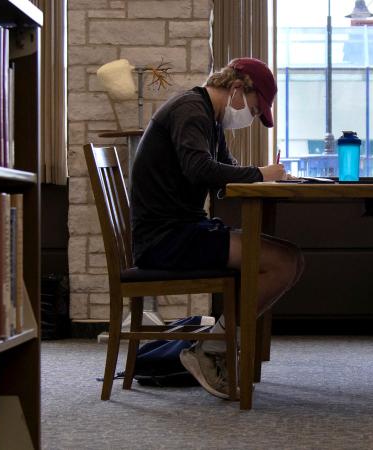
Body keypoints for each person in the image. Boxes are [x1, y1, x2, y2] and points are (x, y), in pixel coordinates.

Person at [130, 57, 304, 399]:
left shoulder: (208, 118)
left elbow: (225, 169)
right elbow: (200, 169)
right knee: (284, 262)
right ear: (238, 89)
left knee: (288, 257)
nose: (251, 118)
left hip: (181, 231)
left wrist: (263, 178)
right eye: (254, 111)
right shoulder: (191, 111)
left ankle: (217, 343)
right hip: (166, 240)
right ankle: (210, 350)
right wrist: (260, 174)